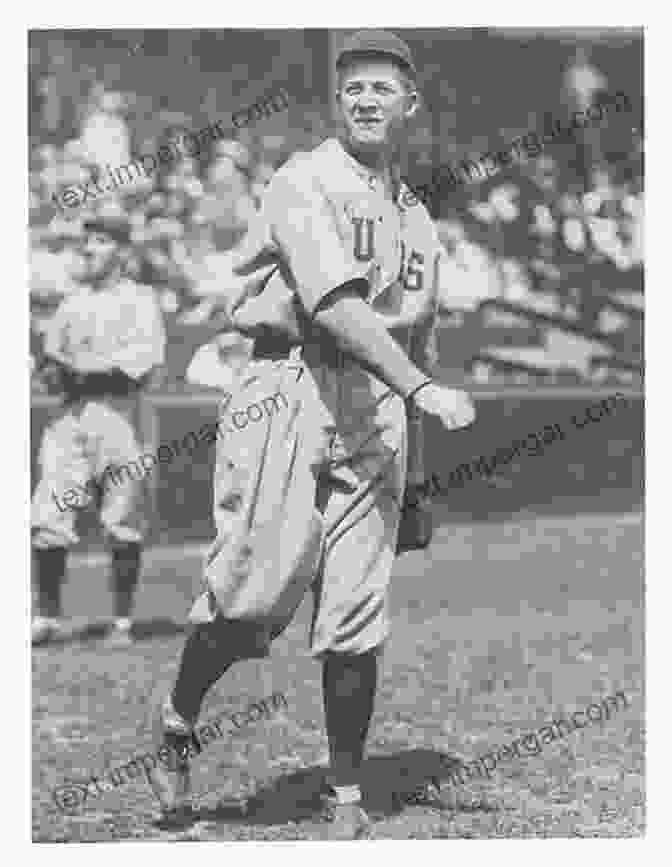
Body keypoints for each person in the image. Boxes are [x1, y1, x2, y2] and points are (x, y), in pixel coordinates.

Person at [147, 30, 475, 838]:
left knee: (358, 611)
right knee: (255, 597)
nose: (365, 99)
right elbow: (332, 305)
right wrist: (422, 388)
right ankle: (178, 719)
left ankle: (347, 792)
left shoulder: (417, 219)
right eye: (353, 87)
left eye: (381, 88)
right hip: (286, 385)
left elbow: (415, 341)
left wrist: (420, 472)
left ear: (410, 104)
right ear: (340, 101)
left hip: (378, 406)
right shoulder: (304, 180)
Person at [31, 213, 165, 647]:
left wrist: (79, 368)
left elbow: (138, 369)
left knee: (123, 519)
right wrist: (53, 371)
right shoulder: (71, 302)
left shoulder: (141, 299)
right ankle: (47, 617)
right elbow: (53, 366)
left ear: (123, 251)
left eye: (102, 240)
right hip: (70, 416)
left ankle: (122, 622)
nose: (90, 248)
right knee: (49, 513)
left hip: (121, 416)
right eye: (87, 240)